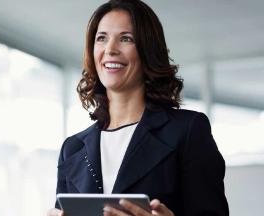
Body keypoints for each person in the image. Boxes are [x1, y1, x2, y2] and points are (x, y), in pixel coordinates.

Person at [47, 0, 229, 215]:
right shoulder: (73, 148)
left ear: (147, 51)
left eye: (126, 38)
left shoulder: (187, 130)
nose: (110, 49)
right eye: (101, 38)